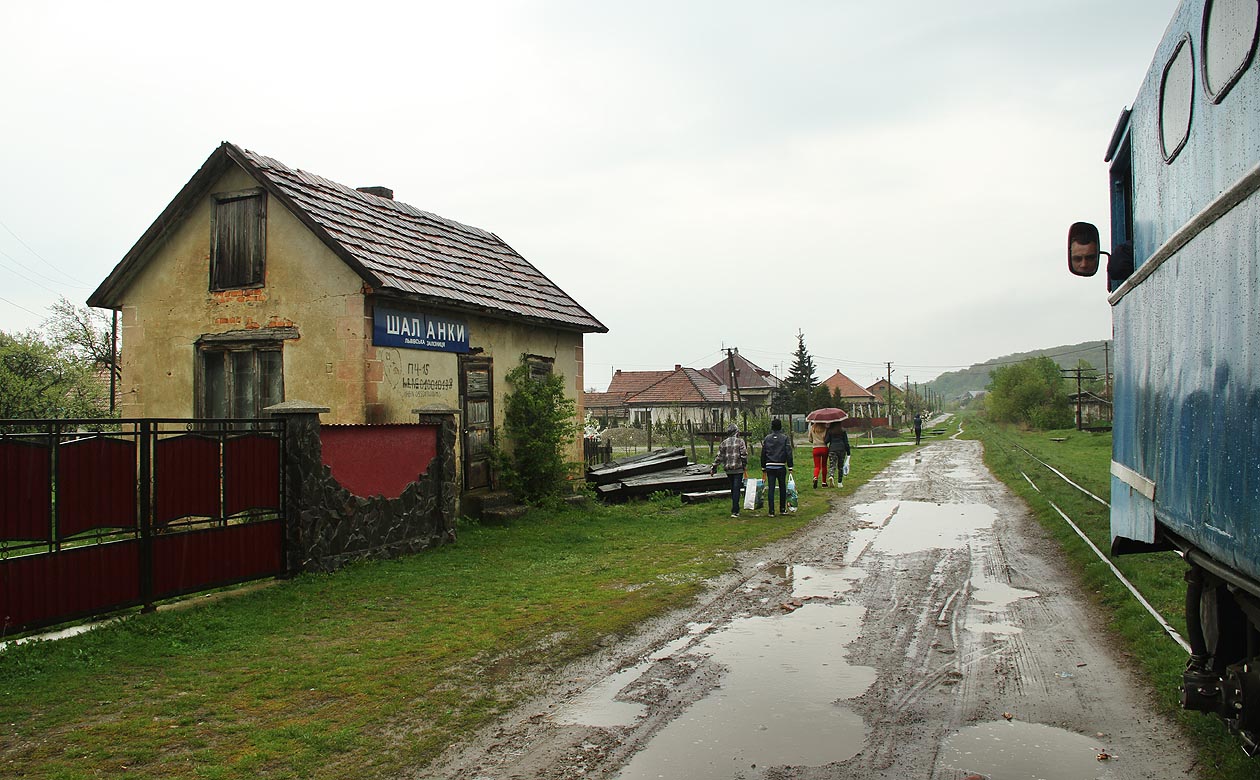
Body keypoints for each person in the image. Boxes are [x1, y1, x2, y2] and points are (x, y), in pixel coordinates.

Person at [710, 423, 749, 518]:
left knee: (733, 488)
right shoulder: (740, 441)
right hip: (738, 469)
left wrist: (714, 468)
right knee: (736, 489)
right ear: (736, 432)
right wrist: (744, 465)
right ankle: (735, 510)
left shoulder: (724, 443)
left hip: (728, 470)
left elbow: (719, 457)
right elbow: (744, 454)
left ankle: (735, 508)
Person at [761, 418, 794, 516]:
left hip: (770, 466)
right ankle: (782, 509)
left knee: (771, 488)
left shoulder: (767, 438)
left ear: (772, 427)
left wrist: (763, 467)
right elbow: (788, 452)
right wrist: (790, 466)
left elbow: (763, 453)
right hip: (780, 465)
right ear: (780, 427)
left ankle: (771, 511)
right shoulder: (784, 438)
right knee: (782, 487)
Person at [824, 422, 850, 488]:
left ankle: (831, 476)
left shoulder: (830, 431)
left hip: (832, 449)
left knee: (832, 465)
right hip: (841, 449)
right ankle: (839, 483)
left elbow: (826, 441)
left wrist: (827, 430)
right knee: (840, 467)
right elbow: (846, 442)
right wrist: (848, 452)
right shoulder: (843, 431)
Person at [808, 421, 829, 488]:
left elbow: (810, 439)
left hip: (816, 448)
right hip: (824, 448)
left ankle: (815, 477)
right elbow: (827, 439)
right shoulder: (825, 428)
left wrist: (814, 441)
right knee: (824, 466)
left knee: (817, 466)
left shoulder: (812, 428)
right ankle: (824, 482)